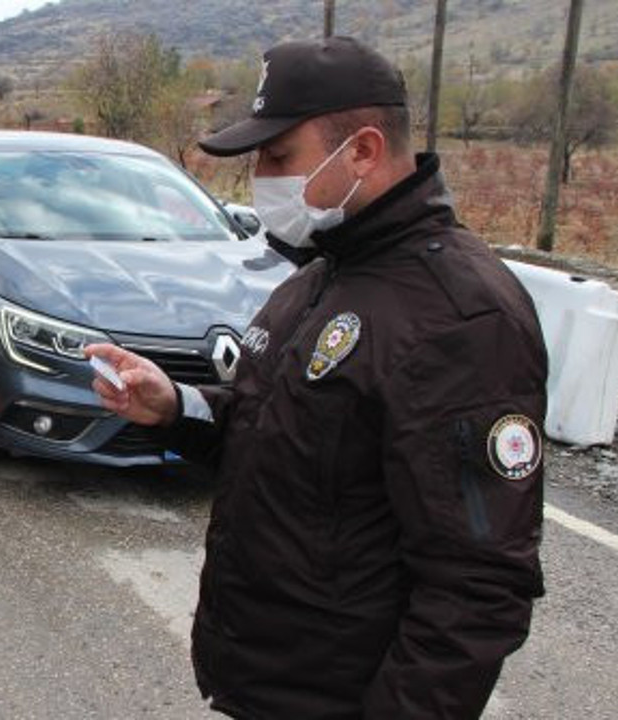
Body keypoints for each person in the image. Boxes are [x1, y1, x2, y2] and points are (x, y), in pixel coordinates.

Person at [87, 37, 547, 718]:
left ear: (361, 150)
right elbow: (283, 426)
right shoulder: (323, 274)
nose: (260, 179)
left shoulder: (458, 318)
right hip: (259, 681)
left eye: (278, 157)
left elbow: (477, 589)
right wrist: (177, 406)